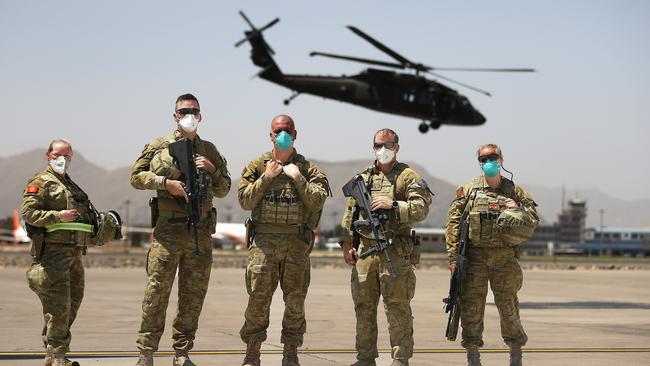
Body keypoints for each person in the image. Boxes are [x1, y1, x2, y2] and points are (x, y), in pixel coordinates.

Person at [131, 93, 231, 366]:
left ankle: (182, 353)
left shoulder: (209, 150)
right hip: (168, 232)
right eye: (183, 110)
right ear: (175, 116)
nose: (188, 114)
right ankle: (146, 352)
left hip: (199, 233)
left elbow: (224, 189)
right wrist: (165, 183)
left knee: (193, 296)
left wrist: (211, 170)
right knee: (156, 293)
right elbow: (136, 176)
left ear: (200, 116)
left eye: (193, 110)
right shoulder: (159, 145)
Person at [238, 114, 330, 366]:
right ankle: (252, 353)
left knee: (295, 302)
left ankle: (291, 353)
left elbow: (318, 201)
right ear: (270, 135)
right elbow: (245, 201)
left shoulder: (308, 169)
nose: (283, 135)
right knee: (257, 299)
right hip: (263, 245)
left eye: (287, 130)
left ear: (295, 134)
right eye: (278, 130)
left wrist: (298, 178)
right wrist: (266, 177)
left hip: (296, 245)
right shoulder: (257, 166)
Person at [339, 128, 433, 366]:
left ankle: (400, 360)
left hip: (395, 251)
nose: (383, 150)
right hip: (366, 254)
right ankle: (365, 358)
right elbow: (350, 214)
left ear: (397, 148)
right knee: (364, 309)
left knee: (397, 309)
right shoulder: (364, 178)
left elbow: (421, 208)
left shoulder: (407, 176)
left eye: (388, 145)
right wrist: (348, 244)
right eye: (379, 145)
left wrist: (394, 205)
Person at [445, 144, 539, 366]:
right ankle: (473, 357)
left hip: (504, 259)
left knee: (508, 307)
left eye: (492, 157)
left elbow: (533, 220)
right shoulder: (468, 190)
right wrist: (453, 258)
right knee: (471, 309)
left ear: (501, 160)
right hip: (473, 259)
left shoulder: (515, 192)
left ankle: (516, 355)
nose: (488, 161)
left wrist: (517, 209)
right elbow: (453, 224)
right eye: (483, 158)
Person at [23, 139, 91, 366]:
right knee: (59, 305)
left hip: (74, 253)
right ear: (48, 155)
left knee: (73, 303)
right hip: (53, 254)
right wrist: (57, 216)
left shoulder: (70, 184)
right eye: (58, 154)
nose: (63, 159)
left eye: (67, 155)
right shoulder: (41, 182)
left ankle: (53, 350)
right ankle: (58, 355)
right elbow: (30, 213)